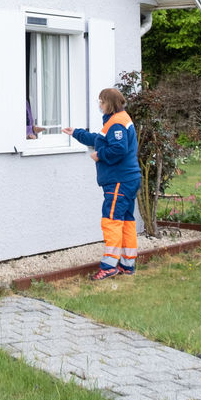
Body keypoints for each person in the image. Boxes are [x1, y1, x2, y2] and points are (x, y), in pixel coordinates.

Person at [63, 88, 141, 279]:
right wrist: (76, 133)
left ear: (109, 103)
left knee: (111, 220)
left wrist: (99, 156)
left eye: (101, 101)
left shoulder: (116, 123)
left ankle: (109, 266)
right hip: (128, 179)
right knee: (126, 221)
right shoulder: (118, 119)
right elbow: (99, 139)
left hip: (119, 181)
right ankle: (127, 264)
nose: (99, 105)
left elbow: (118, 149)